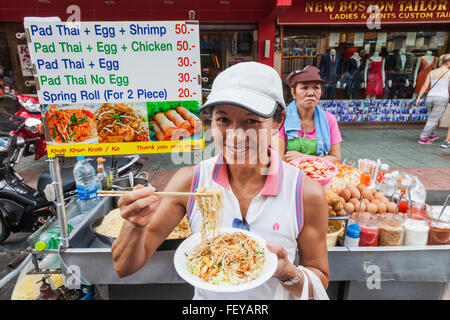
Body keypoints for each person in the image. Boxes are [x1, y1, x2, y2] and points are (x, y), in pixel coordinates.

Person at [112, 62, 329, 299]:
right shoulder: (191, 182)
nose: (236, 137)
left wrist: (288, 273)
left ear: (278, 121)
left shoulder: (305, 193)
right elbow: (124, 268)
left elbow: (320, 279)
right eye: (223, 120)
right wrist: (135, 225)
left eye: (252, 121)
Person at [273, 66, 342, 163]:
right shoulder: (281, 118)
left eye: (316, 87)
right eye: (304, 88)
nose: (311, 93)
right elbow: (279, 158)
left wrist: (305, 158)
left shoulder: (329, 120)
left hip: (319, 175)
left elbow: (336, 158)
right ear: (293, 93)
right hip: (290, 175)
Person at [416, 53, 450, 145]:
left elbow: (425, 86)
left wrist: (418, 98)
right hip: (442, 98)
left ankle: (432, 135)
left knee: (432, 117)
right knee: (433, 119)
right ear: (448, 63)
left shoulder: (432, 72)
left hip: (430, 97)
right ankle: (423, 138)